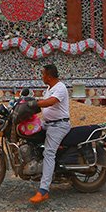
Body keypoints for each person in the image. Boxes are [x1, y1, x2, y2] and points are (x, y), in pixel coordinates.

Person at [30, 63, 70, 204]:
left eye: (43, 74)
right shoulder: (49, 88)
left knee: (49, 153)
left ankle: (44, 190)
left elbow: (51, 102)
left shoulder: (60, 87)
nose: (42, 76)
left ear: (49, 75)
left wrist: (35, 103)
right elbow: (44, 103)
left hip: (59, 125)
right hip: (48, 124)